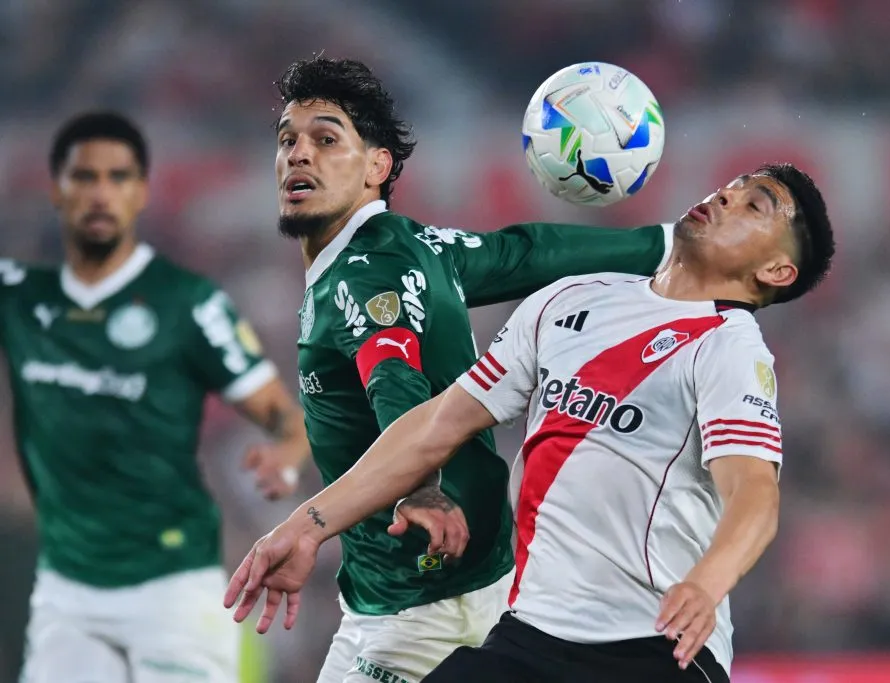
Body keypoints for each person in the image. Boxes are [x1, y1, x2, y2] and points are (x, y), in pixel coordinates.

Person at [225, 163, 835, 682]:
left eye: (755, 204)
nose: (724, 196)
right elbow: (434, 428)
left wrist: (708, 582)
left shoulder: (729, 346)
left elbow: (755, 493)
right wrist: (308, 526)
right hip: (530, 640)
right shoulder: (569, 300)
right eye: (730, 186)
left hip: (653, 649)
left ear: (776, 272)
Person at [229, 56, 676, 683]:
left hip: (422, 609)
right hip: (436, 589)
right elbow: (527, 252)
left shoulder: (363, 273)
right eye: (287, 140)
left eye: (326, 140)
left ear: (377, 167)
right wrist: (670, 244)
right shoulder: (418, 248)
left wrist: (419, 487)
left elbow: (395, 379)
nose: (298, 154)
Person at [0, 111, 311, 683]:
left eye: (117, 177)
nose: (99, 194)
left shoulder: (188, 306)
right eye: (83, 177)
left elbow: (279, 417)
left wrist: (286, 455)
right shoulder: (20, 302)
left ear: (140, 193)